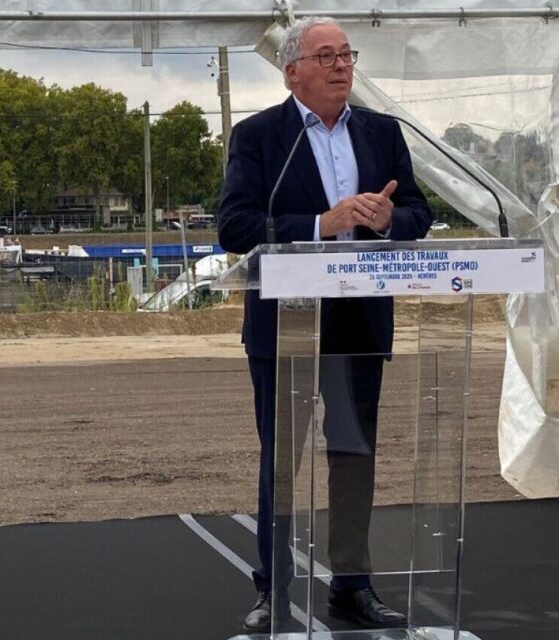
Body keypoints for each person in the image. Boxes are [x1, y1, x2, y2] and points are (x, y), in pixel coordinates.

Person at [216, 16, 433, 633]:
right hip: (287, 322)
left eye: (347, 54)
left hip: (359, 322)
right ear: (293, 72)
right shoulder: (261, 136)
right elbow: (235, 227)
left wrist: (388, 218)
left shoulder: (383, 132)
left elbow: (421, 211)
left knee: (353, 453)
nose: (342, 65)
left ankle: (352, 585)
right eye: (327, 56)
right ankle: (273, 589)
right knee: (282, 460)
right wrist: (321, 225)